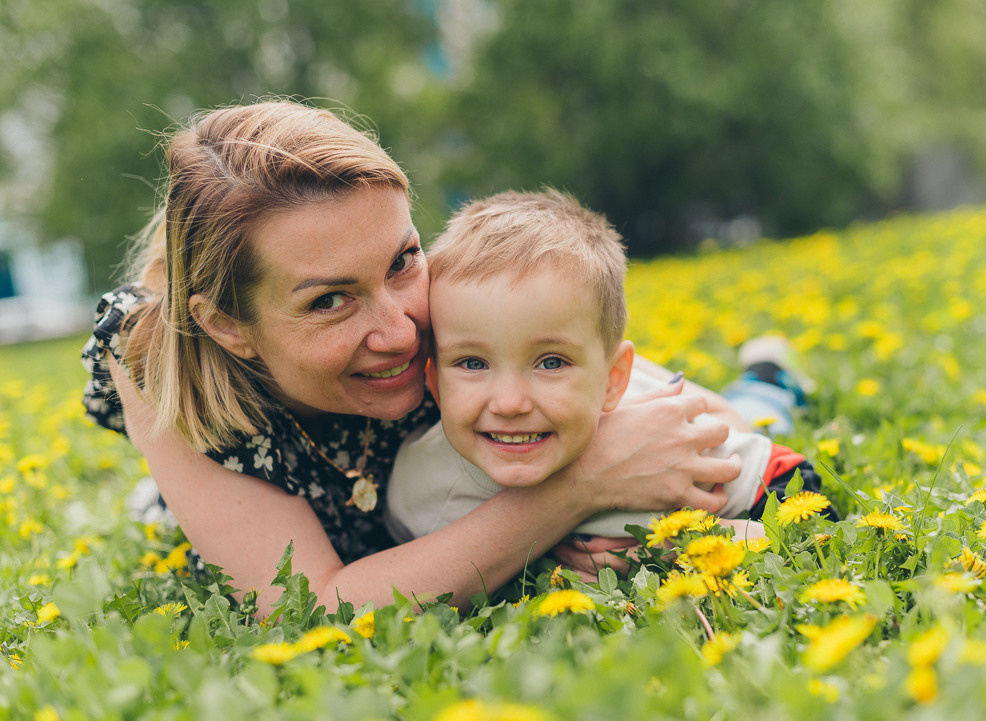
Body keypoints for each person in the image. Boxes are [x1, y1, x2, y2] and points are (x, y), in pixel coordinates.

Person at [81, 99, 754, 616]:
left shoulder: (428, 305)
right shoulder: (151, 355)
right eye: (328, 302)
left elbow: (680, 425)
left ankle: (769, 380)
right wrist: (574, 494)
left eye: (403, 259)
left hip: (435, 503)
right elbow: (311, 608)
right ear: (229, 324)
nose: (402, 332)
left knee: (741, 407)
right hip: (267, 517)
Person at [385, 190, 833, 547]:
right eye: (472, 363)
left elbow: (808, 503)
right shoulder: (417, 489)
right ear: (436, 383)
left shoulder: (660, 446)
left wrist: (684, 542)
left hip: (701, 411)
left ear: (611, 380)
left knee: (757, 407)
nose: (509, 403)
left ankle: (770, 374)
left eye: (551, 362)